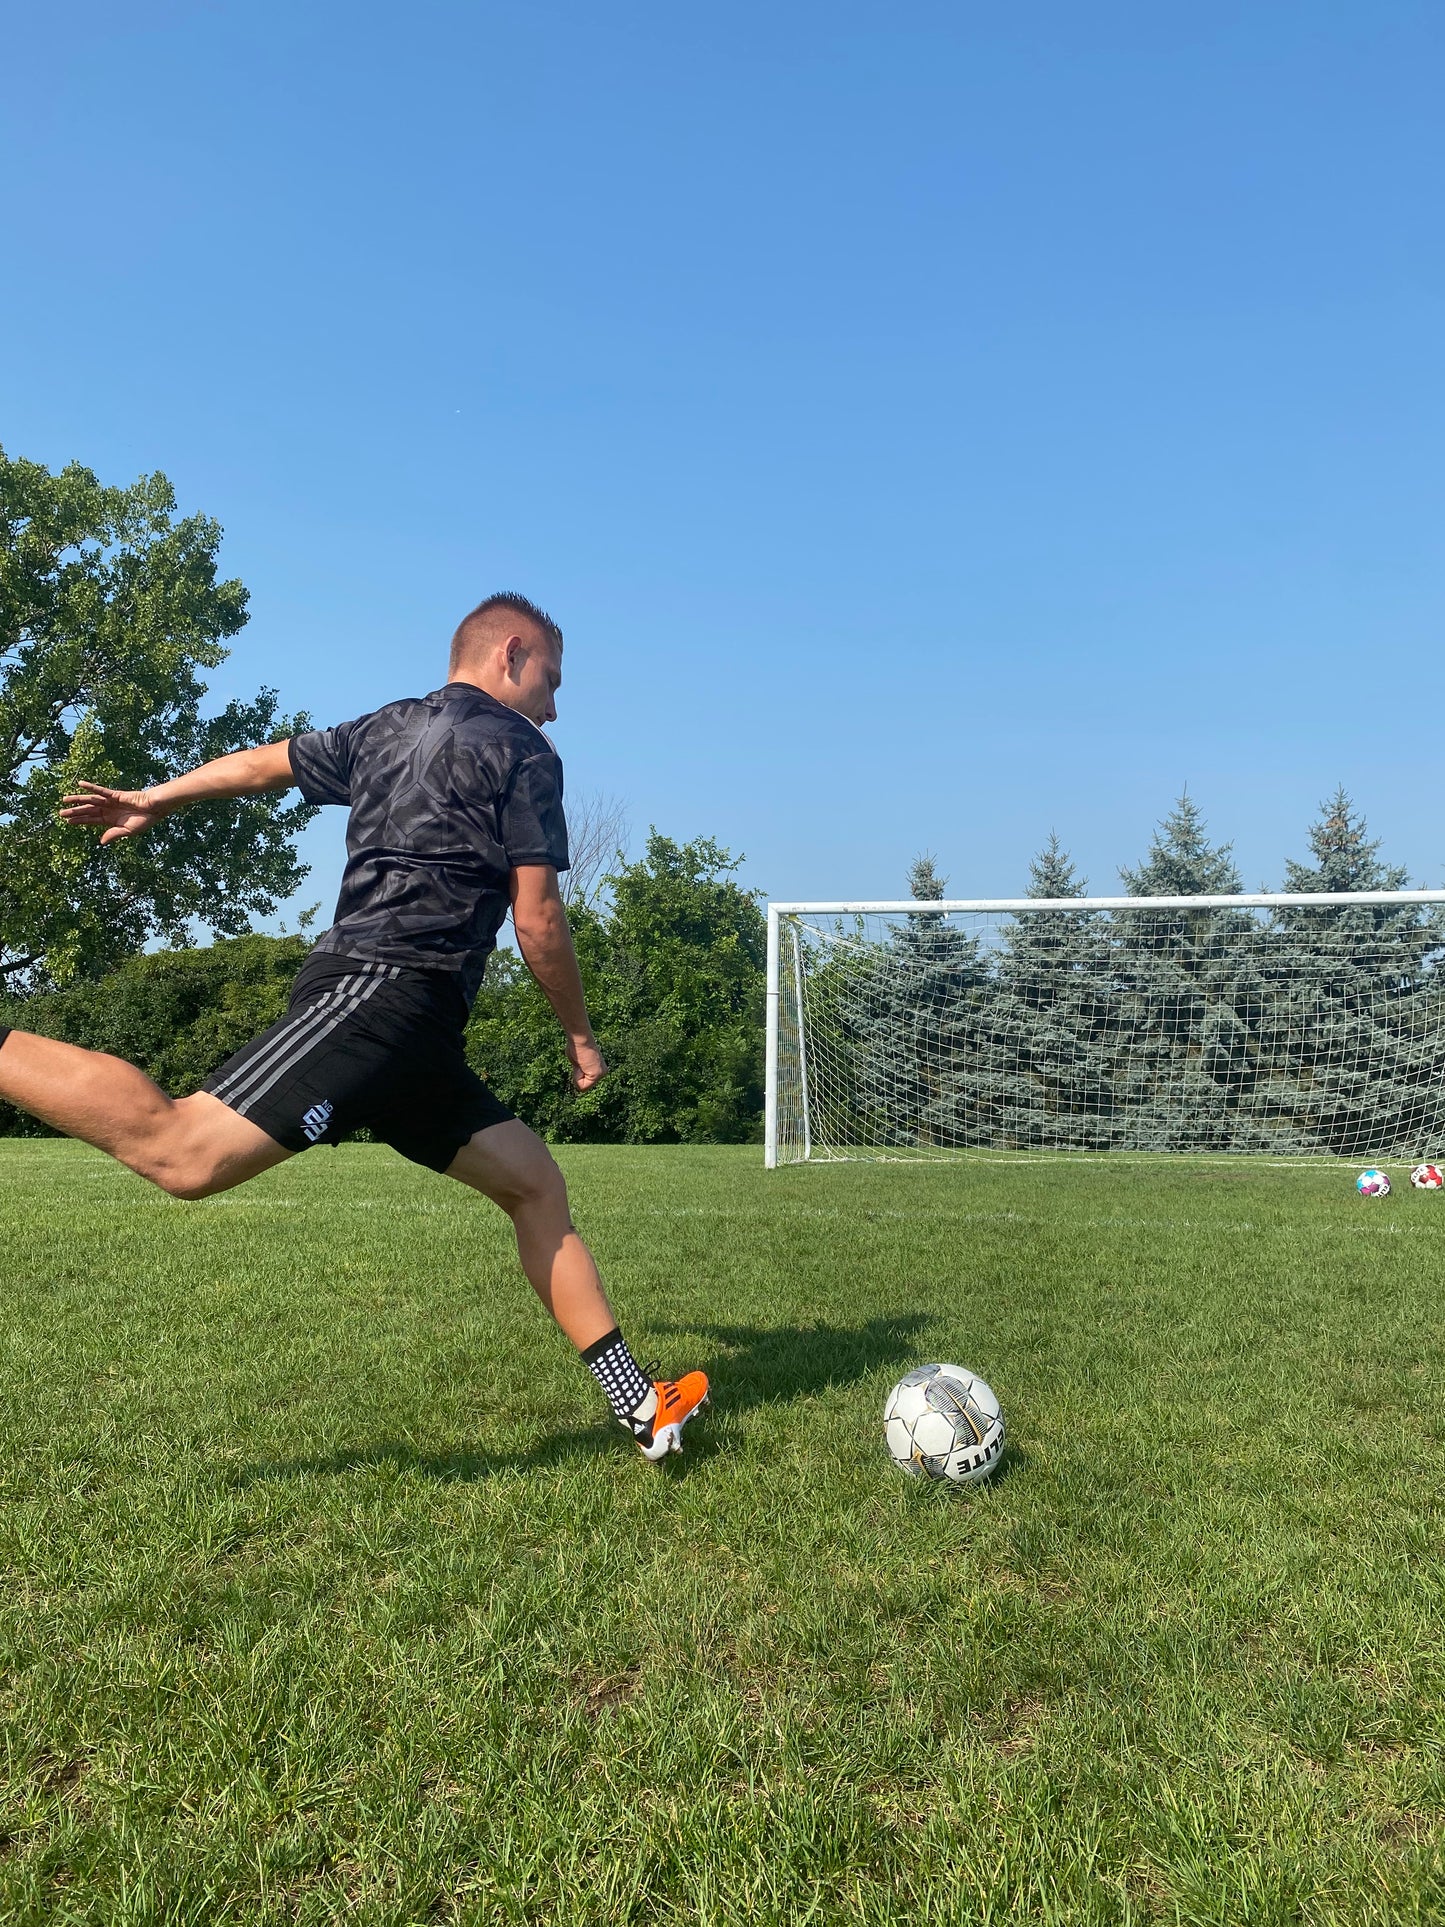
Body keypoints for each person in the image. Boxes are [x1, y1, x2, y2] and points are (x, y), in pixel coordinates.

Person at [0, 591, 708, 1461]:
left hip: (418, 1036)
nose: (555, 706)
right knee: (182, 1152)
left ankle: (641, 1405)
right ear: (510, 652)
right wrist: (580, 1034)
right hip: (376, 996)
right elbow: (539, 919)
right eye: (551, 681)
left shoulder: (384, 727)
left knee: (535, 1187)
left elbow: (263, 764)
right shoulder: (524, 752)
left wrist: (157, 796)